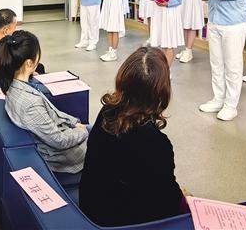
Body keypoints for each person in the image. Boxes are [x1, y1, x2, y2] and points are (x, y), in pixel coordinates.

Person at [79, 47, 186, 226]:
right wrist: (183, 200)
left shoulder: (107, 111)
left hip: (91, 206)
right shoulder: (156, 143)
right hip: (121, 222)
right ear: (161, 90)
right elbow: (166, 203)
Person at [0, 30, 87, 173]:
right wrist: (81, 131)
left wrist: (74, 122)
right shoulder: (30, 104)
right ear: (29, 63)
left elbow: (54, 113)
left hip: (63, 131)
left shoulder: (14, 86)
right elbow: (59, 140)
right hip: (66, 154)